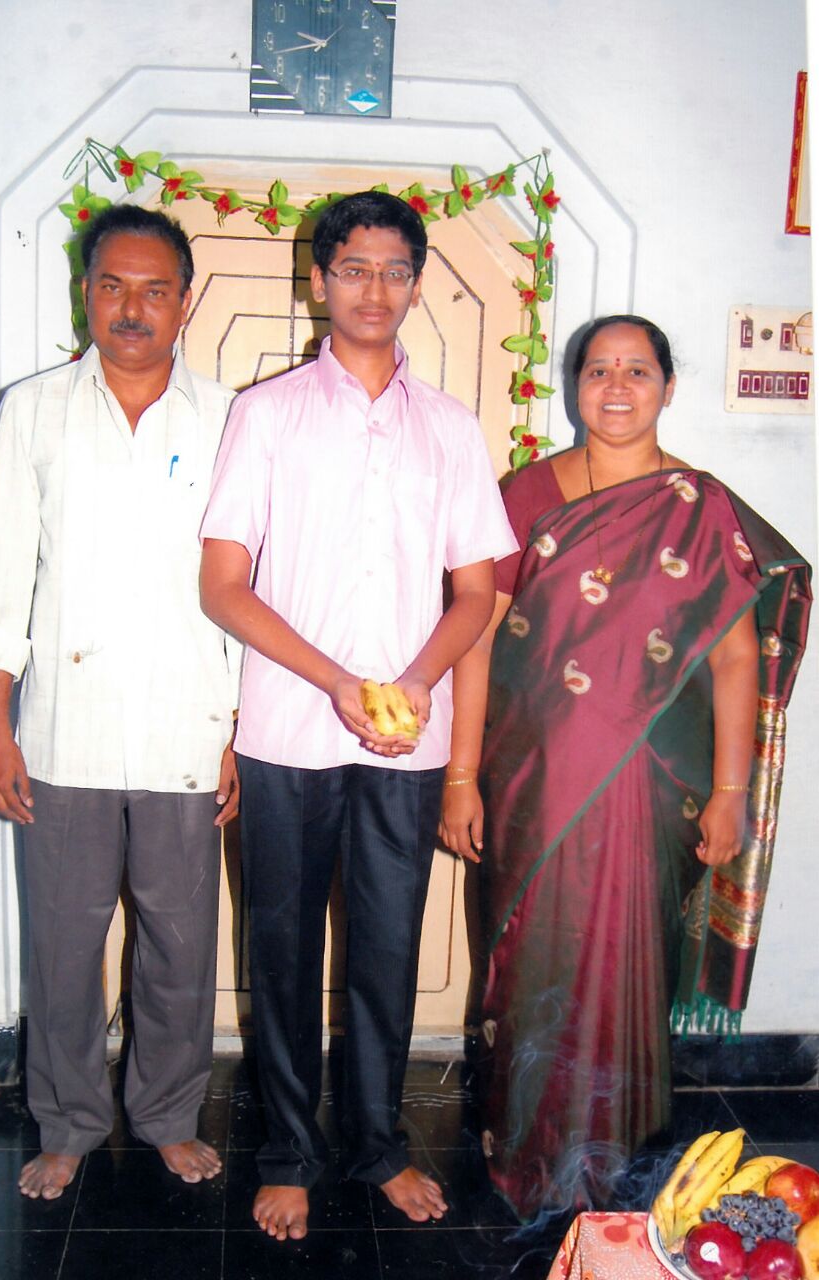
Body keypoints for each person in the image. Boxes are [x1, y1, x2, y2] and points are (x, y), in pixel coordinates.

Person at [439, 315, 812, 1222]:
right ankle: (524, 1152)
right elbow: (477, 636)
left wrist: (731, 794)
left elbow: (735, 658)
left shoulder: (702, 507)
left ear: (668, 388)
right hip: (530, 784)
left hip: (655, 790)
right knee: (531, 962)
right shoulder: (526, 494)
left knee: (628, 968)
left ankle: (623, 1167)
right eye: (598, 369)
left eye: (636, 370)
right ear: (574, 387)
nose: (615, 386)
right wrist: (459, 775)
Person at [199, 191, 518, 1241]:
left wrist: (417, 680)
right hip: (288, 730)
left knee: (385, 948)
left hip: (409, 738)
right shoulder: (267, 413)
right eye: (353, 267)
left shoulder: (452, 429)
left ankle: (377, 1144)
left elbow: (476, 590)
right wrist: (338, 680)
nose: (373, 288)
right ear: (319, 280)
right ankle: (289, 1152)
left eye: (393, 269)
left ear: (417, 284)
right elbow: (223, 586)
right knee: (283, 948)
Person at [0, 205, 241, 1198]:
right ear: (86, 292)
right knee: (64, 944)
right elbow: (2, 581)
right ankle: (69, 1120)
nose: (132, 308)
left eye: (154, 289)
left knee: (180, 947)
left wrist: (236, 729)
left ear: (185, 302)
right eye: (113, 285)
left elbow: (246, 586)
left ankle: (167, 1115)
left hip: (186, 728)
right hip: (60, 731)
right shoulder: (33, 409)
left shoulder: (228, 419)